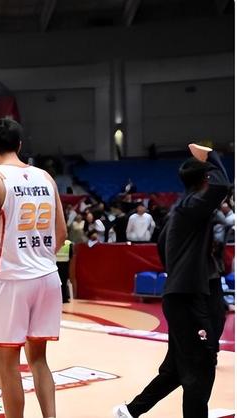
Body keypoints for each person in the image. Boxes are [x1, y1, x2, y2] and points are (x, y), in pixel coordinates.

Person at [113, 144, 231, 418]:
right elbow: (222, 186)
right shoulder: (191, 207)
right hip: (189, 299)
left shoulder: (185, 210)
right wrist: (210, 155)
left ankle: (129, 412)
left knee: (177, 369)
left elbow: (162, 245)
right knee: (200, 367)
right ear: (205, 180)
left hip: (190, 294)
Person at [0, 118, 66, 418]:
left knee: (7, 362)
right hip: (48, 276)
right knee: (39, 359)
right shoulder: (46, 177)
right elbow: (61, 233)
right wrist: (38, 258)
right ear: (19, 144)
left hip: (11, 278)